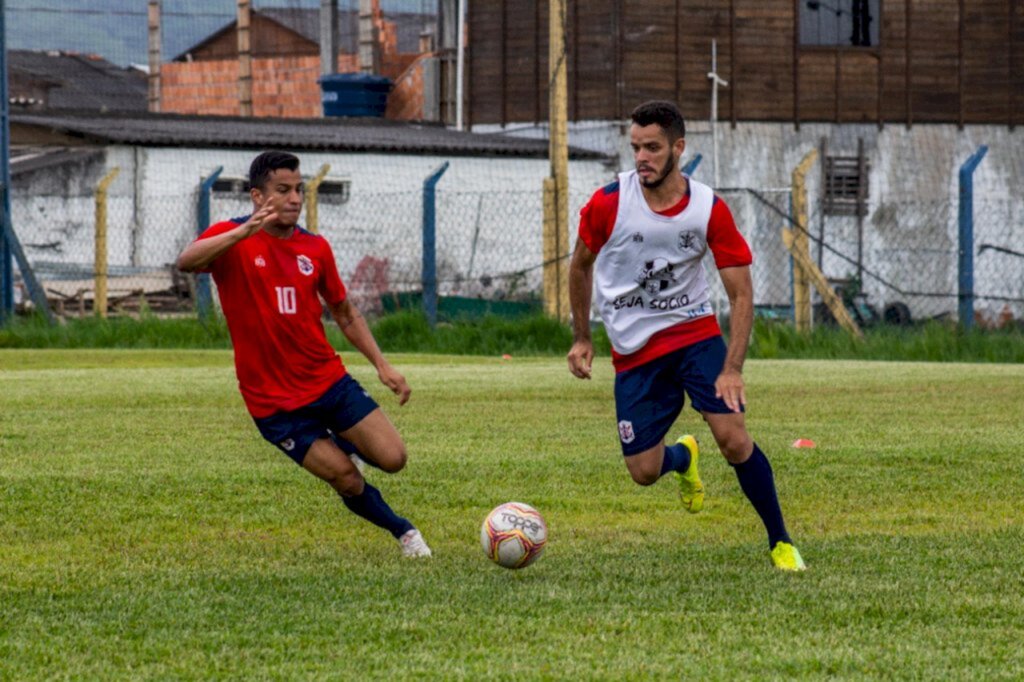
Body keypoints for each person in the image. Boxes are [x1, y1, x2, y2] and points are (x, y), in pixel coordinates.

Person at [566, 101, 805, 571]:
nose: (642, 158)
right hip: (634, 351)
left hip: (695, 335)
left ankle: (780, 541)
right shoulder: (608, 204)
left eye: (652, 147)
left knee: (735, 440)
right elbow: (579, 266)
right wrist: (582, 337)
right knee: (643, 472)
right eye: (635, 147)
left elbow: (740, 294)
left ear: (678, 147)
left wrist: (732, 368)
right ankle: (682, 458)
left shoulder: (706, 209)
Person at [177, 150, 431, 559]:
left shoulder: (314, 248)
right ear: (258, 196)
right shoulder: (232, 238)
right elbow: (186, 262)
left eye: (298, 189)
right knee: (347, 479)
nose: (295, 198)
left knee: (394, 458)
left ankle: (340, 440)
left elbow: (345, 313)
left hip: (327, 381)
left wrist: (383, 366)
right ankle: (403, 532)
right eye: (284, 190)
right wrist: (239, 235)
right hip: (273, 403)